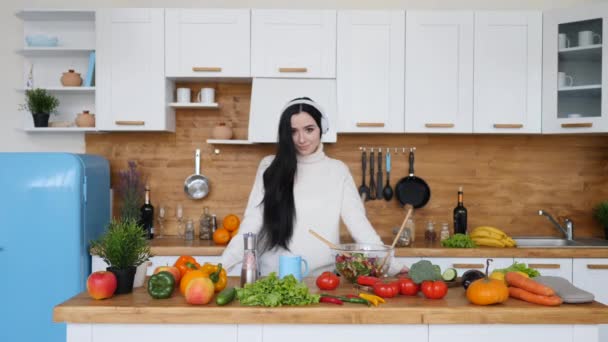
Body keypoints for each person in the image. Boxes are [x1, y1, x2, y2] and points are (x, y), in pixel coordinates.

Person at [220, 97, 404, 276]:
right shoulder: (269, 167)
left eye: (309, 129)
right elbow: (251, 223)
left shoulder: (337, 171)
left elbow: (359, 225)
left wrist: (393, 265)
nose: (301, 139)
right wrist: (219, 268)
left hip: (322, 280)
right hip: (273, 278)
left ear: (321, 128)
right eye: (293, 132)